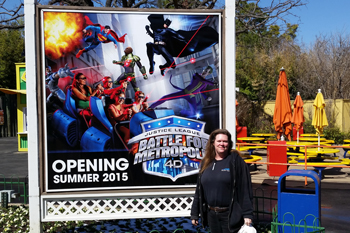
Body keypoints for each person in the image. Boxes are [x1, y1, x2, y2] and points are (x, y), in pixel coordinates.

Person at [190, 129, 253, 233]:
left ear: (229, 143)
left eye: (225, 141)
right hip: (212, 215)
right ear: (213, 143)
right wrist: (195, 213)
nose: (222, 144)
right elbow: (199, 190)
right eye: (219, 141)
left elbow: (245, 188)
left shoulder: (235, 161)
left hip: (230, 215)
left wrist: (247, 214)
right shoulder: (206, 162)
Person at [149, 66, 217, 117]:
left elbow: (201, 91)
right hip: (184, 93)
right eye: (206, 70)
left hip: (191, 97)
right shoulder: (196, 75)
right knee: (166, 97)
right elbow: (202, 80)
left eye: (208, 72)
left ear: (208, 74)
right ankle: (150, 107)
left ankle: (183, 112)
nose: (205, 72)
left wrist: (206, 97)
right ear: (203, 70)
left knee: (195, 114)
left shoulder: (205, 83)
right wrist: (213, 83)